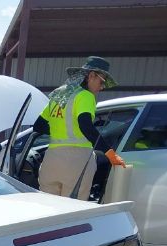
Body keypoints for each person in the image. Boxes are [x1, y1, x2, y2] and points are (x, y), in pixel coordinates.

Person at [33, 56, 126, 199]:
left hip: (51, 160)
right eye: (101, 82)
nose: (101, 87)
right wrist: (109, 153)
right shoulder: (85, 96)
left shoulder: (59, 95)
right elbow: (85, 125)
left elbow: (38, 125)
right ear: (91, 75)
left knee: (48, 209)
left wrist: (61, 130)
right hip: (77, 161)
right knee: (72, 210)